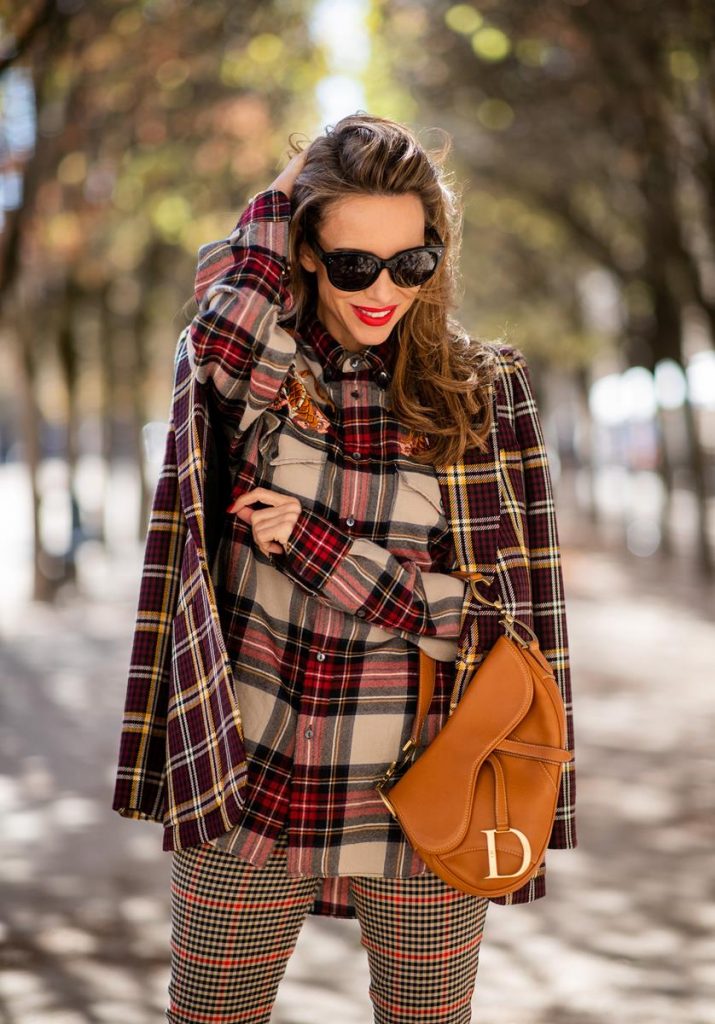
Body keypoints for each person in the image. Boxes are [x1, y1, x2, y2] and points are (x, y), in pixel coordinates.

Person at [111, 113, 576, 1024]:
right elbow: (219, 325)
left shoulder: (483, 392)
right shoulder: (259, 376)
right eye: (353, 262)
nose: (383, 288)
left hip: (427, 787)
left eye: (411, 262)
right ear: (308, 252)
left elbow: (491, 631)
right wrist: (287, 187)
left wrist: (318, 548)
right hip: (253, 773)